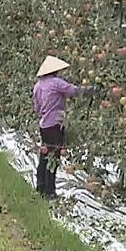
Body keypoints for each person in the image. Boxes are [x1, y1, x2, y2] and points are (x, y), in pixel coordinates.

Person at [31, 55, 90, 199]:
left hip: (44, 125)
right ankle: (50, 192)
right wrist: (91, 90)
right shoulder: (57, 83)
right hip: (55, 125)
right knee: (54, 158)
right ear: (55, 71)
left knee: (44, 155)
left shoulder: (38, 86)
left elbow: (37, 108)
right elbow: (73, 91)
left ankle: (40, 186)